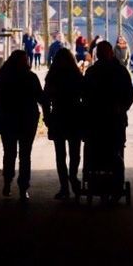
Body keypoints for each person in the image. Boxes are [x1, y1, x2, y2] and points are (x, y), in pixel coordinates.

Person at [0, 49, 47, 200]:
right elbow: (41, 97)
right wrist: (48, 114)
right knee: (25, 155)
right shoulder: (31, 77)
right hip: (28, 119)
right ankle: (23, 187)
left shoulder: (4, 77)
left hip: (8, 119)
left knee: (9, 153)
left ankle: (7, 182)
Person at [81, 40, 133, 182]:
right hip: (116, 119)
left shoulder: (92, 72)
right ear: (111, 53)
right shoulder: (121, 71)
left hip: (95, 120)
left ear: (97, 55)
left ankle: (91, 176)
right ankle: (117, 182)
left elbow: (84, 93)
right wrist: (123, 107)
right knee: (116, 150)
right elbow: (130, 93)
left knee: (93, 149)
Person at [43, 47, 84, 199]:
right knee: (75, 153)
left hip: (58, 117)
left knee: (60, 155)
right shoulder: (76, 75)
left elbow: (46, 99)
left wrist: (47, 118)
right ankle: (73, 177)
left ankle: (64, 187)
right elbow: (84, 96)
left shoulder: (52, 76)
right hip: (75, 117)